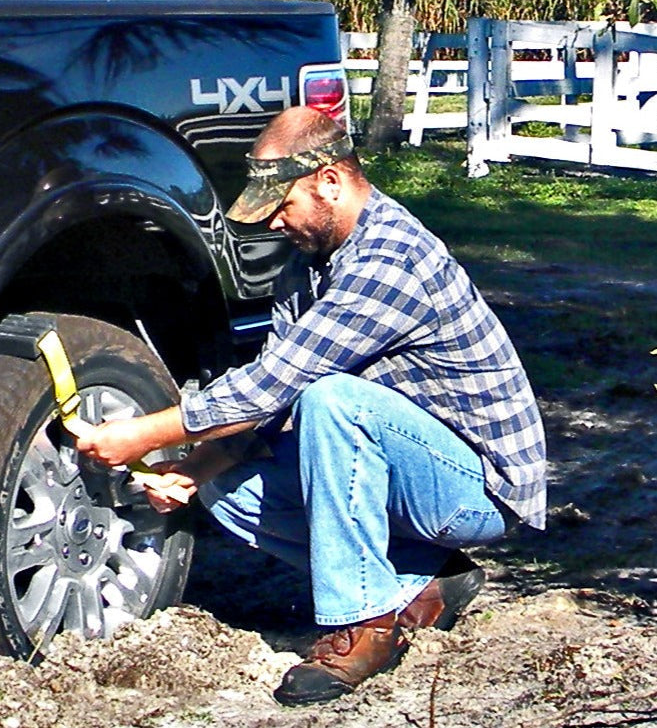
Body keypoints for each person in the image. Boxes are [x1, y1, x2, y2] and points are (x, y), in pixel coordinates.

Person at [75, 105, 546, 706]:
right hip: (409, 467)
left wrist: (139, 437)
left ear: (330, 180)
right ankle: (424, 580)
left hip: (478, 487)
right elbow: (268, 410)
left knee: (332, 402)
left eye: (282, 204)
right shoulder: (305, 268)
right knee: (228, 487)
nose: (273, 221)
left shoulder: (388, 259)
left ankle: (364, 626)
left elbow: (271, 387)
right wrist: (190, 472)